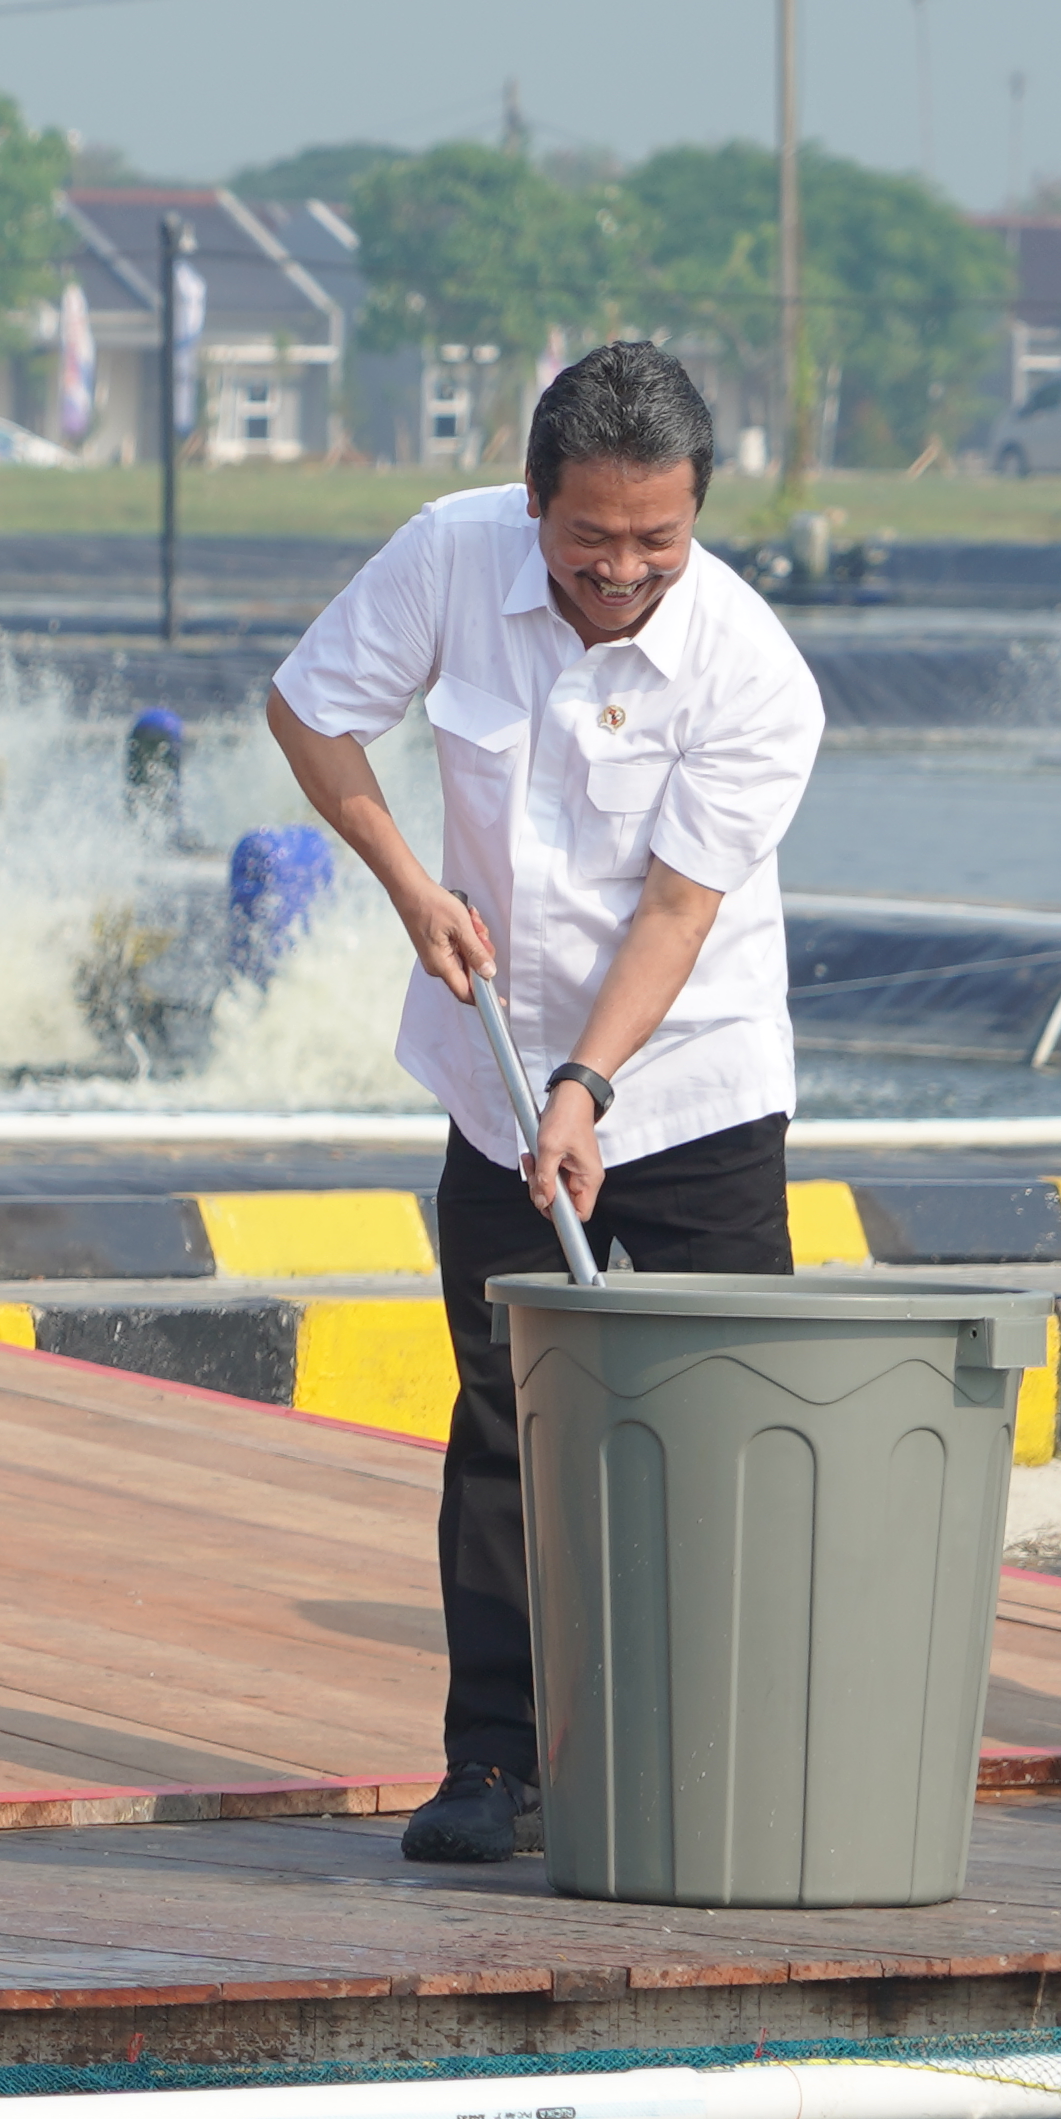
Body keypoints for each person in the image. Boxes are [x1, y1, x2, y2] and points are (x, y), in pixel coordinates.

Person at [260, 342, 827, 1866]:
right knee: (507, 1419)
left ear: (701, 511)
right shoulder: (450, 556)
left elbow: (678, 915)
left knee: (725, 1426)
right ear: (533, 506)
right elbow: (313, 711)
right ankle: (495, 1763)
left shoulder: (755, 671)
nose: (624, 571)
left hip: (693, 1081)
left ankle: (725, 1753)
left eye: (659, 540)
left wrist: (595, 1083)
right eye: (592, 542)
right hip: (495, 1069)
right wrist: (406, 882)